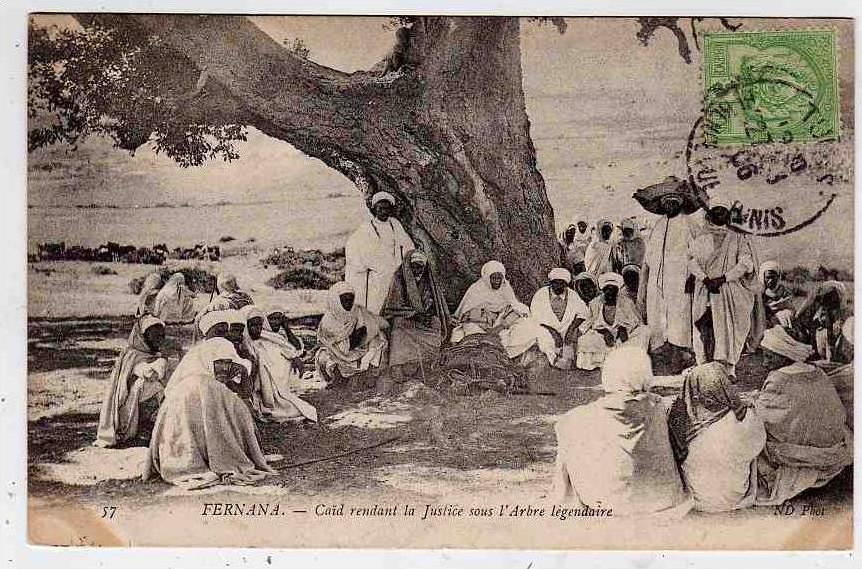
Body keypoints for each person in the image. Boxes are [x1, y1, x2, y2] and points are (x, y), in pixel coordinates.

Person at [552, 345, 688, 515]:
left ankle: (565, 498)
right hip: (664, 499)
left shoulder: (578, 417)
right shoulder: (663, 406)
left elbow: (565, 428)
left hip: (606, 502)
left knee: (567, 428)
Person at [143, 334, 275, 490]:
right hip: (190, 443)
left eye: (227, 362)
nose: (224, 367)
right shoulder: (209, 386)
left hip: (175, 454)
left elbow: (241, 392)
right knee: (239, 409)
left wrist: (242, 372)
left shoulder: (189, 380)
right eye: (221, 362)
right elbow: (243, 399)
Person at [754, 326, 852, 506]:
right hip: (831, 444)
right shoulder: (817, 371)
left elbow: (763, 417)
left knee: (750, 436)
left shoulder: (778, 378)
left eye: (769, 357)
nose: (765, 364)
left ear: (785, 357)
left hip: (800, 452)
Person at [667, 363, 766, 512]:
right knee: (748, 447)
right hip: (734, 494)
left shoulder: (681, 418)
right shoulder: (744, 416)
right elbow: (758, 445)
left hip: (698, 497)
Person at [688, 202, 762, 378]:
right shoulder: (701, 237)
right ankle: (704, 370)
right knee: (704, 328)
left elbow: (745, 263)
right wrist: (706, 279)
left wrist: (723, 278)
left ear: (728, 214)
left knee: (728, 330)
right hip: (705, 290)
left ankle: (729, 370)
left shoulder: (738, 237)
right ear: (710, 213)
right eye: (716, 211)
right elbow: (692, 262)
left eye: (723, 211)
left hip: (729, 291)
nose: (719, 214)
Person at [638, 193, 700, 354]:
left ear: (679, 204)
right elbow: (649, 255)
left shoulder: (689, 224)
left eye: (673, 202)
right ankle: (660, 348)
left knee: (680, 315)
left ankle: (681, 351)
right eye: (667, 203)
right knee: (657, 314)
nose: (670, 206)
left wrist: (693, 277)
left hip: (680, 279)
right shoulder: (658, 225)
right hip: (657, 280)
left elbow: (700, 254)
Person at [94, 315, 168, 448]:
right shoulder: (133, 355)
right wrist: (162, 362)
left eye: (162, 335)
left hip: (139, 402)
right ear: (143, 336)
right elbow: (149, 374)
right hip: (129, 407)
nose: (160, 340)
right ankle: (144, 429)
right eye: (155, 335)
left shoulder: (152, 354)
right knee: (150, 386)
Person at [381, 249, 451, 379]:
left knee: (436, 323)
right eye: (414, 267)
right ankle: (398, 364)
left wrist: (427, 315)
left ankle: (423, 360)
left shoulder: (428, 280)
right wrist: (413, 314)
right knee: (398, 325)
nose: (417, 271)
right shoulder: (399, 279)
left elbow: (436, 304)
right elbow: (393, 307)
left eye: (420, 268)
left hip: (422, 319)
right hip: (406, 319)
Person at [241, 305, 317, 423]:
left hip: (277, 383)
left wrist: (294, 358)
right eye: (253, 325)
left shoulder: (268, 337)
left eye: (259, 325)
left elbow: (288, 349)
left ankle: (277, 398)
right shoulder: (243, 343)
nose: (257, 329)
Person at [344, 191, 415, 314]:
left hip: (395, 270)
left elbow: (407, 244)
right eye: (380, 209)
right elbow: (352, 247)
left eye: (387, 209)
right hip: (377, 274)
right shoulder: (366, 228)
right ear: (374, 209)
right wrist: (365, 264)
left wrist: (405, 260)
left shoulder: (395, 224)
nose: (384, 212)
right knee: (376, 304)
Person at [449, 260, 533, 359]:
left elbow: (515, 307)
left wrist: (500, 326)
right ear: (487, 277)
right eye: (494, 278)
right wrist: (486, 325)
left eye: (499, 278)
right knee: (470, 333)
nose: (497, 281)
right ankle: (486, 351)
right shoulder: (476, 289)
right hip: (478, 324)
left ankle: (502, 353)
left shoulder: (505, 288)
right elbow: (466, 314)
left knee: (526, 324)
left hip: (500, 324)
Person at [315, 281, 389, 386]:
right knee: (323, 357)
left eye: (351, 300)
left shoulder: (358, 311)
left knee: (379, 339)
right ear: (335, 300)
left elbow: (377, 326)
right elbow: (329, 343)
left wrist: (365, 333)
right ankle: (338, 379)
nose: (348, 304)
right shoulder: (328, 321)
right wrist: (352, 338)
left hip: (359, 350)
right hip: (337, 353)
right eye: (344, 300)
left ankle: (363, 376)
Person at [577, 272, 645, 370]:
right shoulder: (595, 303)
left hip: (623, 337)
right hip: (602, 337)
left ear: (617, 291)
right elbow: (588, 323)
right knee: (585, 340)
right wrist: (603, 331)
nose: (610, 292)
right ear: (603, 290)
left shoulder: (626, 302)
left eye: (613, 289)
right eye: (607, 289)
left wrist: (623, 328)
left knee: (644, 331)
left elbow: (636, 321)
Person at [524, 268, 589, 370]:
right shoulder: (541, 294)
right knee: (545, 340)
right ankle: (554, 359)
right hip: (546, 329)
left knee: (578, 341)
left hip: (566, 329)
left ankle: (568, 358)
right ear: (551, 283)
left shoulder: (572, 295)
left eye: (562, 283)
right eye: (555, 283)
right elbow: (535, 317)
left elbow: (583, 313)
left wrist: (571, 329)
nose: (558, 286)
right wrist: (553, 332)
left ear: (566, 284)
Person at [791, 280, 851, 363]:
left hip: (830, 323)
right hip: (817, 325)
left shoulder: (836, 300)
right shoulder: (815, 299)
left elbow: (839, 315)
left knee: (831, 338)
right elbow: (805, 309)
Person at [759, 261, 795, 328]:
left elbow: (790, 306)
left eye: (773, 277)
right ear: (763, 278)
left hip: (783, 320)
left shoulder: (784, 291)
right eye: (768, 277)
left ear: (778, 277)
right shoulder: (760, 293)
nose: (770, 280)